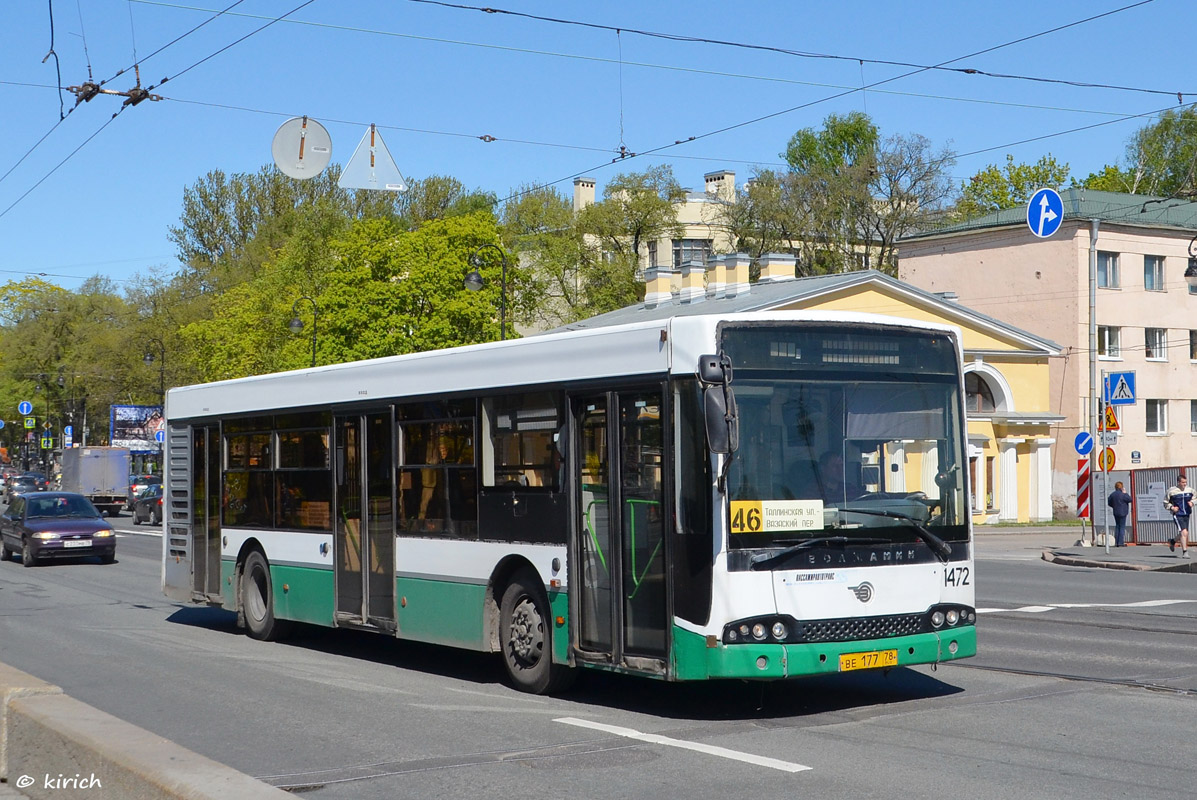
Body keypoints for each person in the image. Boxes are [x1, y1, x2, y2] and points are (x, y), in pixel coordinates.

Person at [1165, 473, 1191, 558]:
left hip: (1186, 513)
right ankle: (1185, 552)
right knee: (1184, 532)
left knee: (1185, 533)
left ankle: (1172, 541)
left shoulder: (1190, 490)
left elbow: (1195, 498)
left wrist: (1193, 503)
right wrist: (1172, 507)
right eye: (1183, 482)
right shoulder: (1172, 491)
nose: (1185, 484)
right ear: (1179, 482)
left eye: (1185, 482)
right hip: (1177, 514)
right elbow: (1165, 502)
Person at [1106, 481, 1132, 547]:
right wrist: (1125, 493)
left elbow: (1108, 502)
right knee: (1122, 527)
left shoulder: (1113, 494)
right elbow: (1130, 499)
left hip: (1116, 512)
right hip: (1123, 512)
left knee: (1117, 526)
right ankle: (1120, 542)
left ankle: (1117, 542)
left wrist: (1114, 506)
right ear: (1121, 487)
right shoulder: (1123, 494)